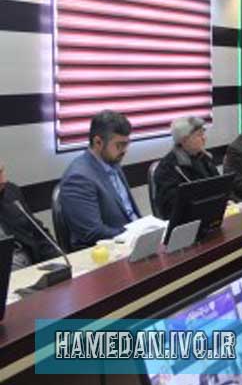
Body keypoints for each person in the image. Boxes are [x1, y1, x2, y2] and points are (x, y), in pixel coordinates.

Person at [59, 110, 140, 249]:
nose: (124, 150)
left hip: (130, 242)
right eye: (119, 145)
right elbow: (92, 232)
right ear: (98, 142)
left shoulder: (112, 162)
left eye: (127, 144)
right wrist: (133, 233)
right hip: (105, 251)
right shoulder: (78, 178)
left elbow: (129, 213)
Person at [153, 116, 219, 219]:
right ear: (184, 140)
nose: (204, 138)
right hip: (187, 220)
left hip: (211, 214)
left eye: (203, 133)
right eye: (199, 135)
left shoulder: (205, 158)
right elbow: (169, 207)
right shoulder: (167, 168)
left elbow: (219, 186)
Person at [0, 160, 61, 269]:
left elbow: (37, 231)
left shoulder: (11, 191)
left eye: (2, 172)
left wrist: (58, 258)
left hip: (28, 260)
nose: (3, 180)